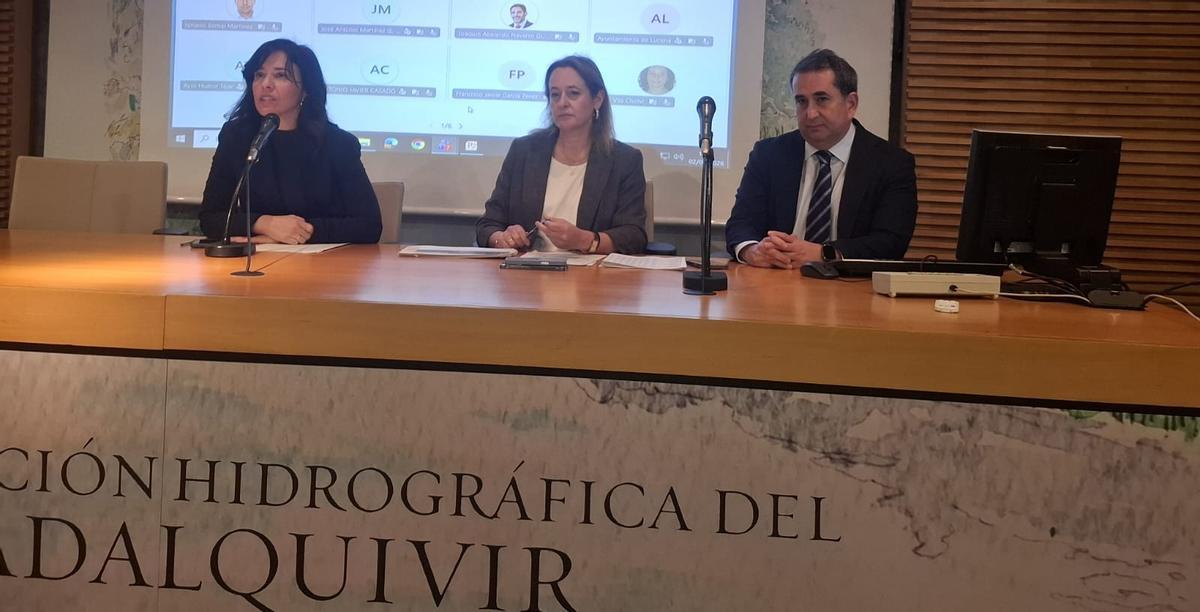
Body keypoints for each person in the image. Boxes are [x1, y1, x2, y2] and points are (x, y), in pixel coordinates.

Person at [725, 49, 917, 268]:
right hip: (777, 282)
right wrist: (753, 251)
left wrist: (824, 253)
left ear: (851, 104)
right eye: (801, 101)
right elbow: (741, 224)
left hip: (851, 289)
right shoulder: (769, 154)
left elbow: (891, 242)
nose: (810, 114)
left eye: (821, 99)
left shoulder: (891, 163)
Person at [200, 39, 381, 245]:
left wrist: (297, 233)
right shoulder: (237, 137)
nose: (265, 84)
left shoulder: (338, 144)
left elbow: (369, 225)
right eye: (259, 75)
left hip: (324, 267)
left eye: (280, 75)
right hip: (258, 263)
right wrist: (264, 224)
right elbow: (210, 217)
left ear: (306, 89)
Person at [476, 55, 647, 254]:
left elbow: (634, 236)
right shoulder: (524, 151)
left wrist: (585, 240)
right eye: (555, 95)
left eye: (573, 94)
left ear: (597, 99)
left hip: (592, 278)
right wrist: (502, 238)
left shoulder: (624, 160)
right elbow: (488, 225)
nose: (562, 103)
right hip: (526, 275)